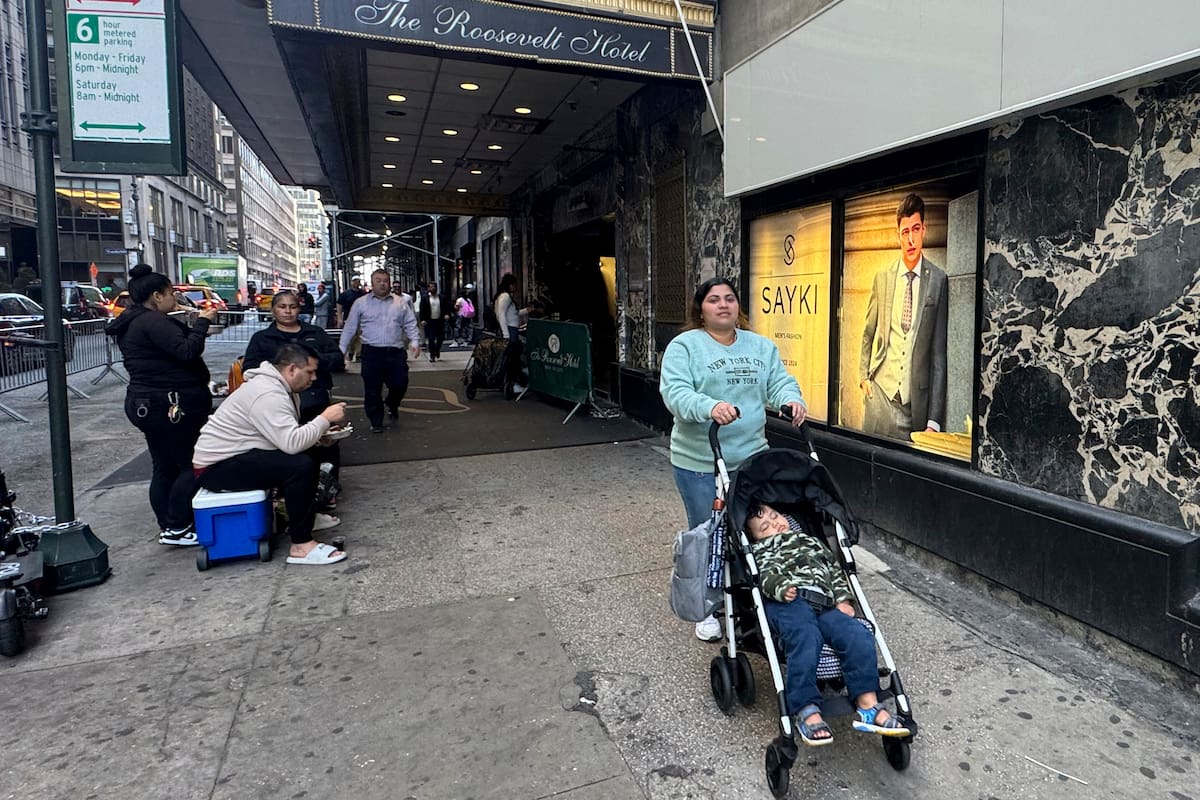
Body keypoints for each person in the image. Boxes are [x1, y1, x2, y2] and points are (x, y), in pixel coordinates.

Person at [659, 276, 807, 641]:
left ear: (738, 307)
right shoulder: (685, 347)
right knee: (707, 533)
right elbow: (675, 393)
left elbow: (778, 382)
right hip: (699, 460)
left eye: (729, 299)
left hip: (751, 457)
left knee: (755, 528)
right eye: (713, 300)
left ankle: (754, 594)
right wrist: (711, 407)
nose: (723, 305)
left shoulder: (760, 347)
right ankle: (707, 608)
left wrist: (791, 399)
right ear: (701, 309)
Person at [746, 501, 910, 745]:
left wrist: (843, 599)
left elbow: (834, 571)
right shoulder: (763, 550)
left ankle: (868, 704)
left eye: (775, 515)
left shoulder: (812, 542)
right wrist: (780, 587)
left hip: (825, 603)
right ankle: (806, 707)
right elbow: (766, 575)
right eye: (765, 527)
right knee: (804, 636)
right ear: (757, 538)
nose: (775, 524)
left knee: (858, 634)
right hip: (788, 603)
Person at [193, 343, 347, 565]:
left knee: (310, 452)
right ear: (292, 369)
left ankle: (304, 518)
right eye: (310, 372)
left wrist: (319, 436)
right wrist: (324, 419)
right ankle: (301, 545)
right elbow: (292, 444)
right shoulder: (267, 393)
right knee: (299, 466)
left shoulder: (280, 387)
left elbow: (285, 436)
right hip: (216, 467)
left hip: (239, 455)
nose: (314, 378)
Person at [107, 264, 218, 546]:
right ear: (156, 296)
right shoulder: (151, 322)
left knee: (165, 466)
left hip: (149, 403)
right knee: (190, 464)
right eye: (171, 294)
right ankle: (177, 525)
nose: (175, 299)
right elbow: (187, 350)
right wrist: (203, 322)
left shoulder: (135, 321)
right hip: (168, 405)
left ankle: (170, 525)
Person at [859, 192, 949, 440]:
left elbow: (938, 356)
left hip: (915, 408)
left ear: (924, 230)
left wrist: (934, 420)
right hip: (879, 398)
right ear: (897, 234)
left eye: (916, 229)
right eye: (905, 231)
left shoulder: (938, 281)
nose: (910, 239)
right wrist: (863, 377)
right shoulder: (883, 278)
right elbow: (868, 331)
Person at [244, 290, 346, 489]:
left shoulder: (314, 333)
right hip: (279, 403)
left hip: (316, 398)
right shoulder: (262, 338)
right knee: (291, 447)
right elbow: (250, 369)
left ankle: (328, 488)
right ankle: (294, 491)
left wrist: (313, 362)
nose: (288, 311)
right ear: (273, 310)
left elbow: (337, 359)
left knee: (326, 442)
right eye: (282, 307)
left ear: (299, 309)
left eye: (292, 306)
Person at [338, 269, 420, 433]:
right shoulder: (361, 303)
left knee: (400, 384)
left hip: (395, 352)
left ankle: (392, 403)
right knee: (372, 389)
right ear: (372, 283)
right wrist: (342, 349)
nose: (382, 284)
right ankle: (376, 421)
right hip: (371, 353)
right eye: (378, 280)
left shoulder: (400, 302)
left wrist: (415, 341)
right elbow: (350, 327)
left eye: (385, 280)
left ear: (389, 283)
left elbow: (410, 323)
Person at [493, 273, 529, 393]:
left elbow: (512, 314)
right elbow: (502, 315)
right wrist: (506, 334)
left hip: (510, 329)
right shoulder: (506, 297)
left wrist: (526, 311)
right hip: (510, 330)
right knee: (513, 357)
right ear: (510, 285)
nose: (516, 287)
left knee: (512, 357)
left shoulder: (502, 296)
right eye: (514, 285)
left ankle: (512, 382)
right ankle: (513, 383)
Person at [419, 281, 450, 362]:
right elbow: (422, 310)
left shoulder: (442, 297)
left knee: (440, 338)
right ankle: (432, 355)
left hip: (440, 321)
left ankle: (437, 349)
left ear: (436, 288)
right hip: (430, 321)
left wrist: (446, 314)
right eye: (431, 287)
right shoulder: (425, 298)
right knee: (431, 339)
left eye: (434, 287)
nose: (432, 288)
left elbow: (446, 307)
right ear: (428, 288)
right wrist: (422, 319)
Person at [336, 278, 366, 360]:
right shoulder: (345, 294)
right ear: (351, 282)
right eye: (355, 281)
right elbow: (339, 305)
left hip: (361, 319)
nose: (356, 283)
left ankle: (359, 354)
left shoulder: (363, 293)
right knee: (351, 337)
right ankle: (351, 351)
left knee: (361, 337)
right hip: (349, 318)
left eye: (358, 281)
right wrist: (340, 318)